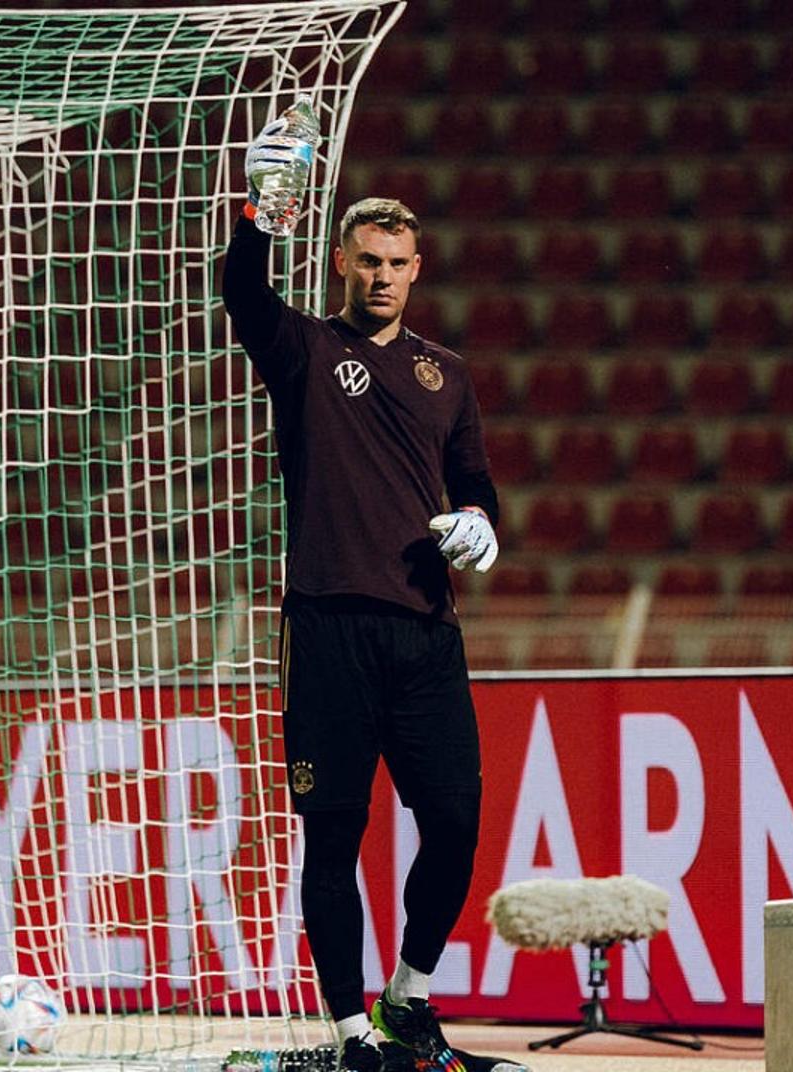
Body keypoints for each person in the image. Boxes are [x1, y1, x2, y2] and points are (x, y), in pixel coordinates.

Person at [221, 139, 502, 1072]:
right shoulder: (303, 348)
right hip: (328, 629)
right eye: (368, 261)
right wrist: (260, 213)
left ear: (418, 270)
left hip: (426, 632)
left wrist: (480, 526)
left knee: (456, 820)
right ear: (342, 262)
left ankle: (407, 1000)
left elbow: (476, 486)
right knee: (333, 834)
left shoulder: (448, 374)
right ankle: (351, 1039)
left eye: (398, 264)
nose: (383, 277)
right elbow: (242, 294)